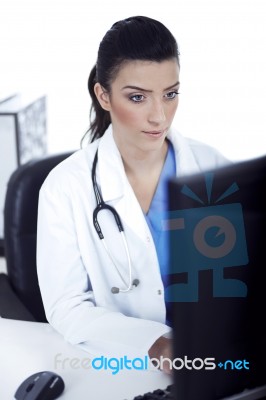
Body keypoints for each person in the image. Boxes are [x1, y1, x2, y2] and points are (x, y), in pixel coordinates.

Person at [36, 16, 228, 374]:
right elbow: (67, 306)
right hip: (127, 366)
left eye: (170, 94)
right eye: (138, 97)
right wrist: (154, 344)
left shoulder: (213, 167)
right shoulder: (65, 188)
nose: (159, 115)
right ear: (103, 96)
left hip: (220, 358)